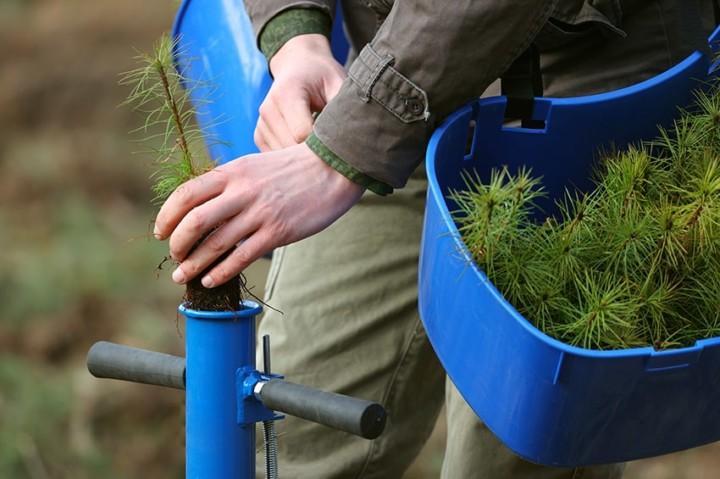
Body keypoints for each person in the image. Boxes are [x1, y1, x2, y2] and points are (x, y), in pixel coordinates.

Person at [153, 1, 714, 477]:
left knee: (511, 452)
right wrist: (296, 37)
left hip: (576, 113)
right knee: (290, 438)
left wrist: (344, 153)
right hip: (380, 84)